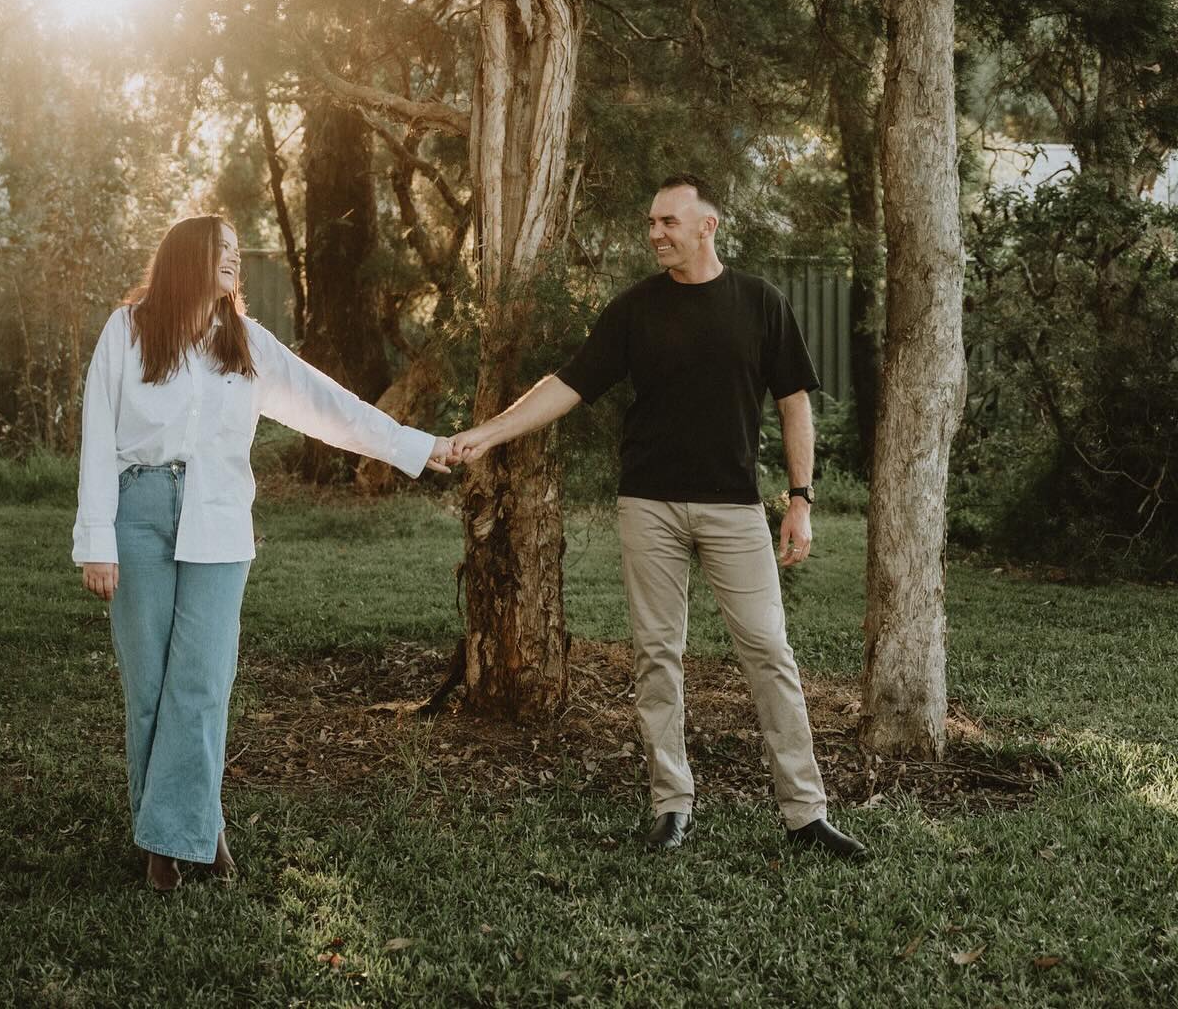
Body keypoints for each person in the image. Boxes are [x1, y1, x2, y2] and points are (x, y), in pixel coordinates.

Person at [449, 174, 867, 863]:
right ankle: (671, 804)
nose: (655, 233)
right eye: (651, 222)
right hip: (649, 506)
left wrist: (801, 499)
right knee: (656, 656)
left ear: (708, 224)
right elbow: (568, 384)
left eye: (668, 221)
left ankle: (805, 813)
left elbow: (795, 404)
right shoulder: (634, 310)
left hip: (734, 509)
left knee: (769, 652)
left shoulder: (761, 303)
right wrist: (490, 434)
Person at [73, 213, 453, 893]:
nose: (235, 262)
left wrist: (418, 447)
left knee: (203, 681)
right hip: (139, 513)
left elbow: (328, 405)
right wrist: (97, 542)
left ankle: (173, 842)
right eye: (223, 250)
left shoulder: (245, 342)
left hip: (218, 520)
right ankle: (194, 833)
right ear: (187, 257)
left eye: (238, 254)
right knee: (151, 685)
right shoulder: (127, 330)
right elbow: (98, 437)